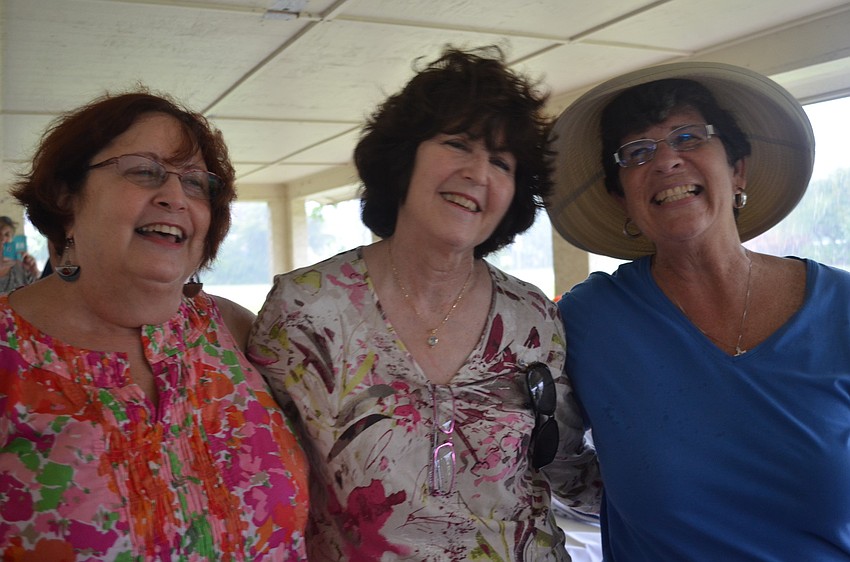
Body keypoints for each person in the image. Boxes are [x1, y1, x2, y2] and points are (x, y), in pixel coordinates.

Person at [248, 45, 600, 561]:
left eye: (501, 162)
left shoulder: (533, 318)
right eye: (457, 144)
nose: (478, 173)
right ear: (403, 157)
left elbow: (564, 464)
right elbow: (259, 480)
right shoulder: (307, 308)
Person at [548, 61, 850, 559]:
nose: (666, 161)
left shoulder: (840, 307)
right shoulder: (587, 320)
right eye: (637, 152)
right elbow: (533, 446)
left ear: (737, 170)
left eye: (688, 138)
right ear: (622, 197)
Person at [0, 91, 308, 560]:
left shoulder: (233, 330)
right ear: (67, 198)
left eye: (196, 183)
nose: (175, 197)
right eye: (144, 171)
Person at [0, 216, 40, 292]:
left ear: (12, 239)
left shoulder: (22, 267)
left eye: (7, 234)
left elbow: (39, 293)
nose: (2, 239)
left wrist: (35, 272)